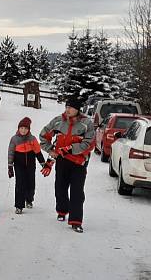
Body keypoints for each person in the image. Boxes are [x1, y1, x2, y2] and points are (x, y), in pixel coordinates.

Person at [38, 97, 95, 233]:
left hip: (79, 162)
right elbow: (43, 136)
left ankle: (76, 221)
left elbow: (89, 144)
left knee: (77, 191)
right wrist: (51, 150)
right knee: (60, 187)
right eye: (66, 107)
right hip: (62, 160)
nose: (68, 110)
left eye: (71, 107)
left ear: (77, 109)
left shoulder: (86, 123)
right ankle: (62, 210)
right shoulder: (58, 121)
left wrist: (71, 148)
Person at [8, 117, 54, 214]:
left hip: (30, 165)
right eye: (21, 128)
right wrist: (10, 166)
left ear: (29, 129)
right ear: (18, 128)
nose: (23, 130)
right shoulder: (14, 139)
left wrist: (44, 165)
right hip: (19, 165)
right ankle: (19, 206)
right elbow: (11, 153)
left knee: (30, 183)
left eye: (25, 128)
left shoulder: (32, 139)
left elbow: (38, 153)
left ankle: (29, 200)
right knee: (20, 184)